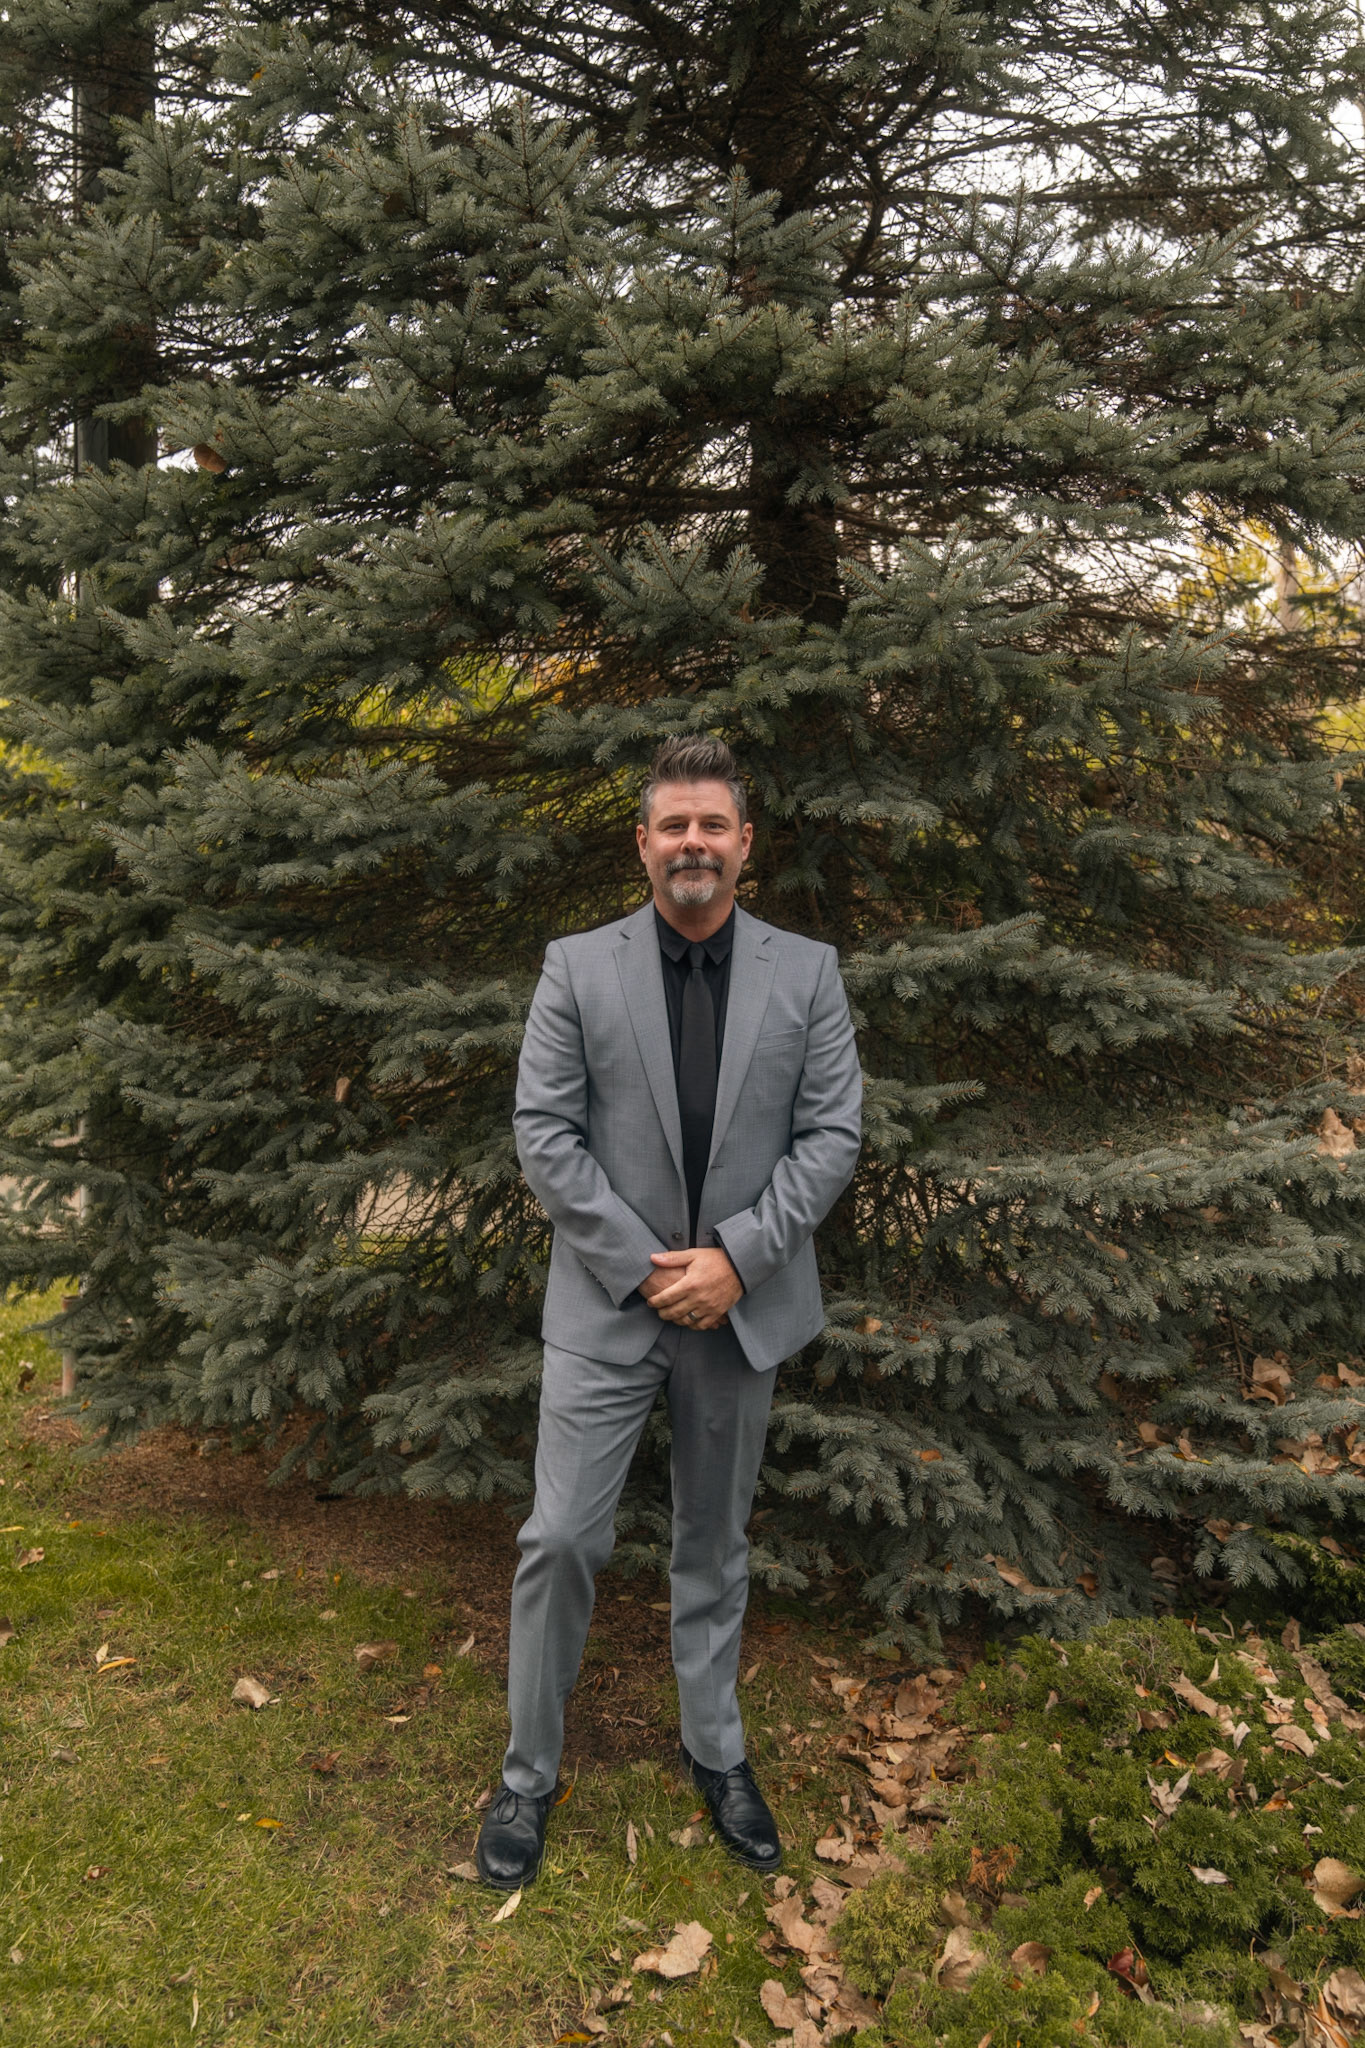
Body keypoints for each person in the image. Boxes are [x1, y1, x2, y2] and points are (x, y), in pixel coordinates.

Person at [475, 735, 863, 1889]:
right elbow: (544, 1132)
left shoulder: (808, 973)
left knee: (713, 1542)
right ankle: (527, 1774)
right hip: (610, 1303)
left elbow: (831, 1133)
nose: (694, 841)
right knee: (559, 1536)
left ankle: (717, 1749)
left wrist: (737, 1259)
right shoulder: (576, 967)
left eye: (713, 824)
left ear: (746, 842)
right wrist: (648, 1268)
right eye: (674, 824)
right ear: (642, 842)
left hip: (739, 1309)